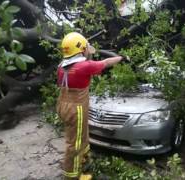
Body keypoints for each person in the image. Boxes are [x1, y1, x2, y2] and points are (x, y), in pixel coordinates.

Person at [56, 32, 125, 180]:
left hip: (63, 105)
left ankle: (83, 161)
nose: (88, 50)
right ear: (81, 49)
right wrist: (121, 58)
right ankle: (72, 176)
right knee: (75, 143)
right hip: (76, 109)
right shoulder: (84, 66)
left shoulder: (61, 66)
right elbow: (105, 63)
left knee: (80, 135)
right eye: (86, 48)